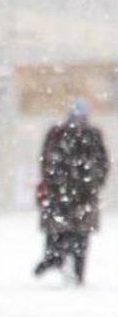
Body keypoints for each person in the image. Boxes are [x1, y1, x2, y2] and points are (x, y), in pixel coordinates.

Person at [34, 100, 109, 284]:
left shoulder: (65, 134)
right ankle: (65, 263)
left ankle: (62, 261)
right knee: (73, 232)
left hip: (72, 192)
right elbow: (102, 164)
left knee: (71, 232)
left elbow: (102, 163)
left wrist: (93, 182)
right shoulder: (64, 134)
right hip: (71, 192)